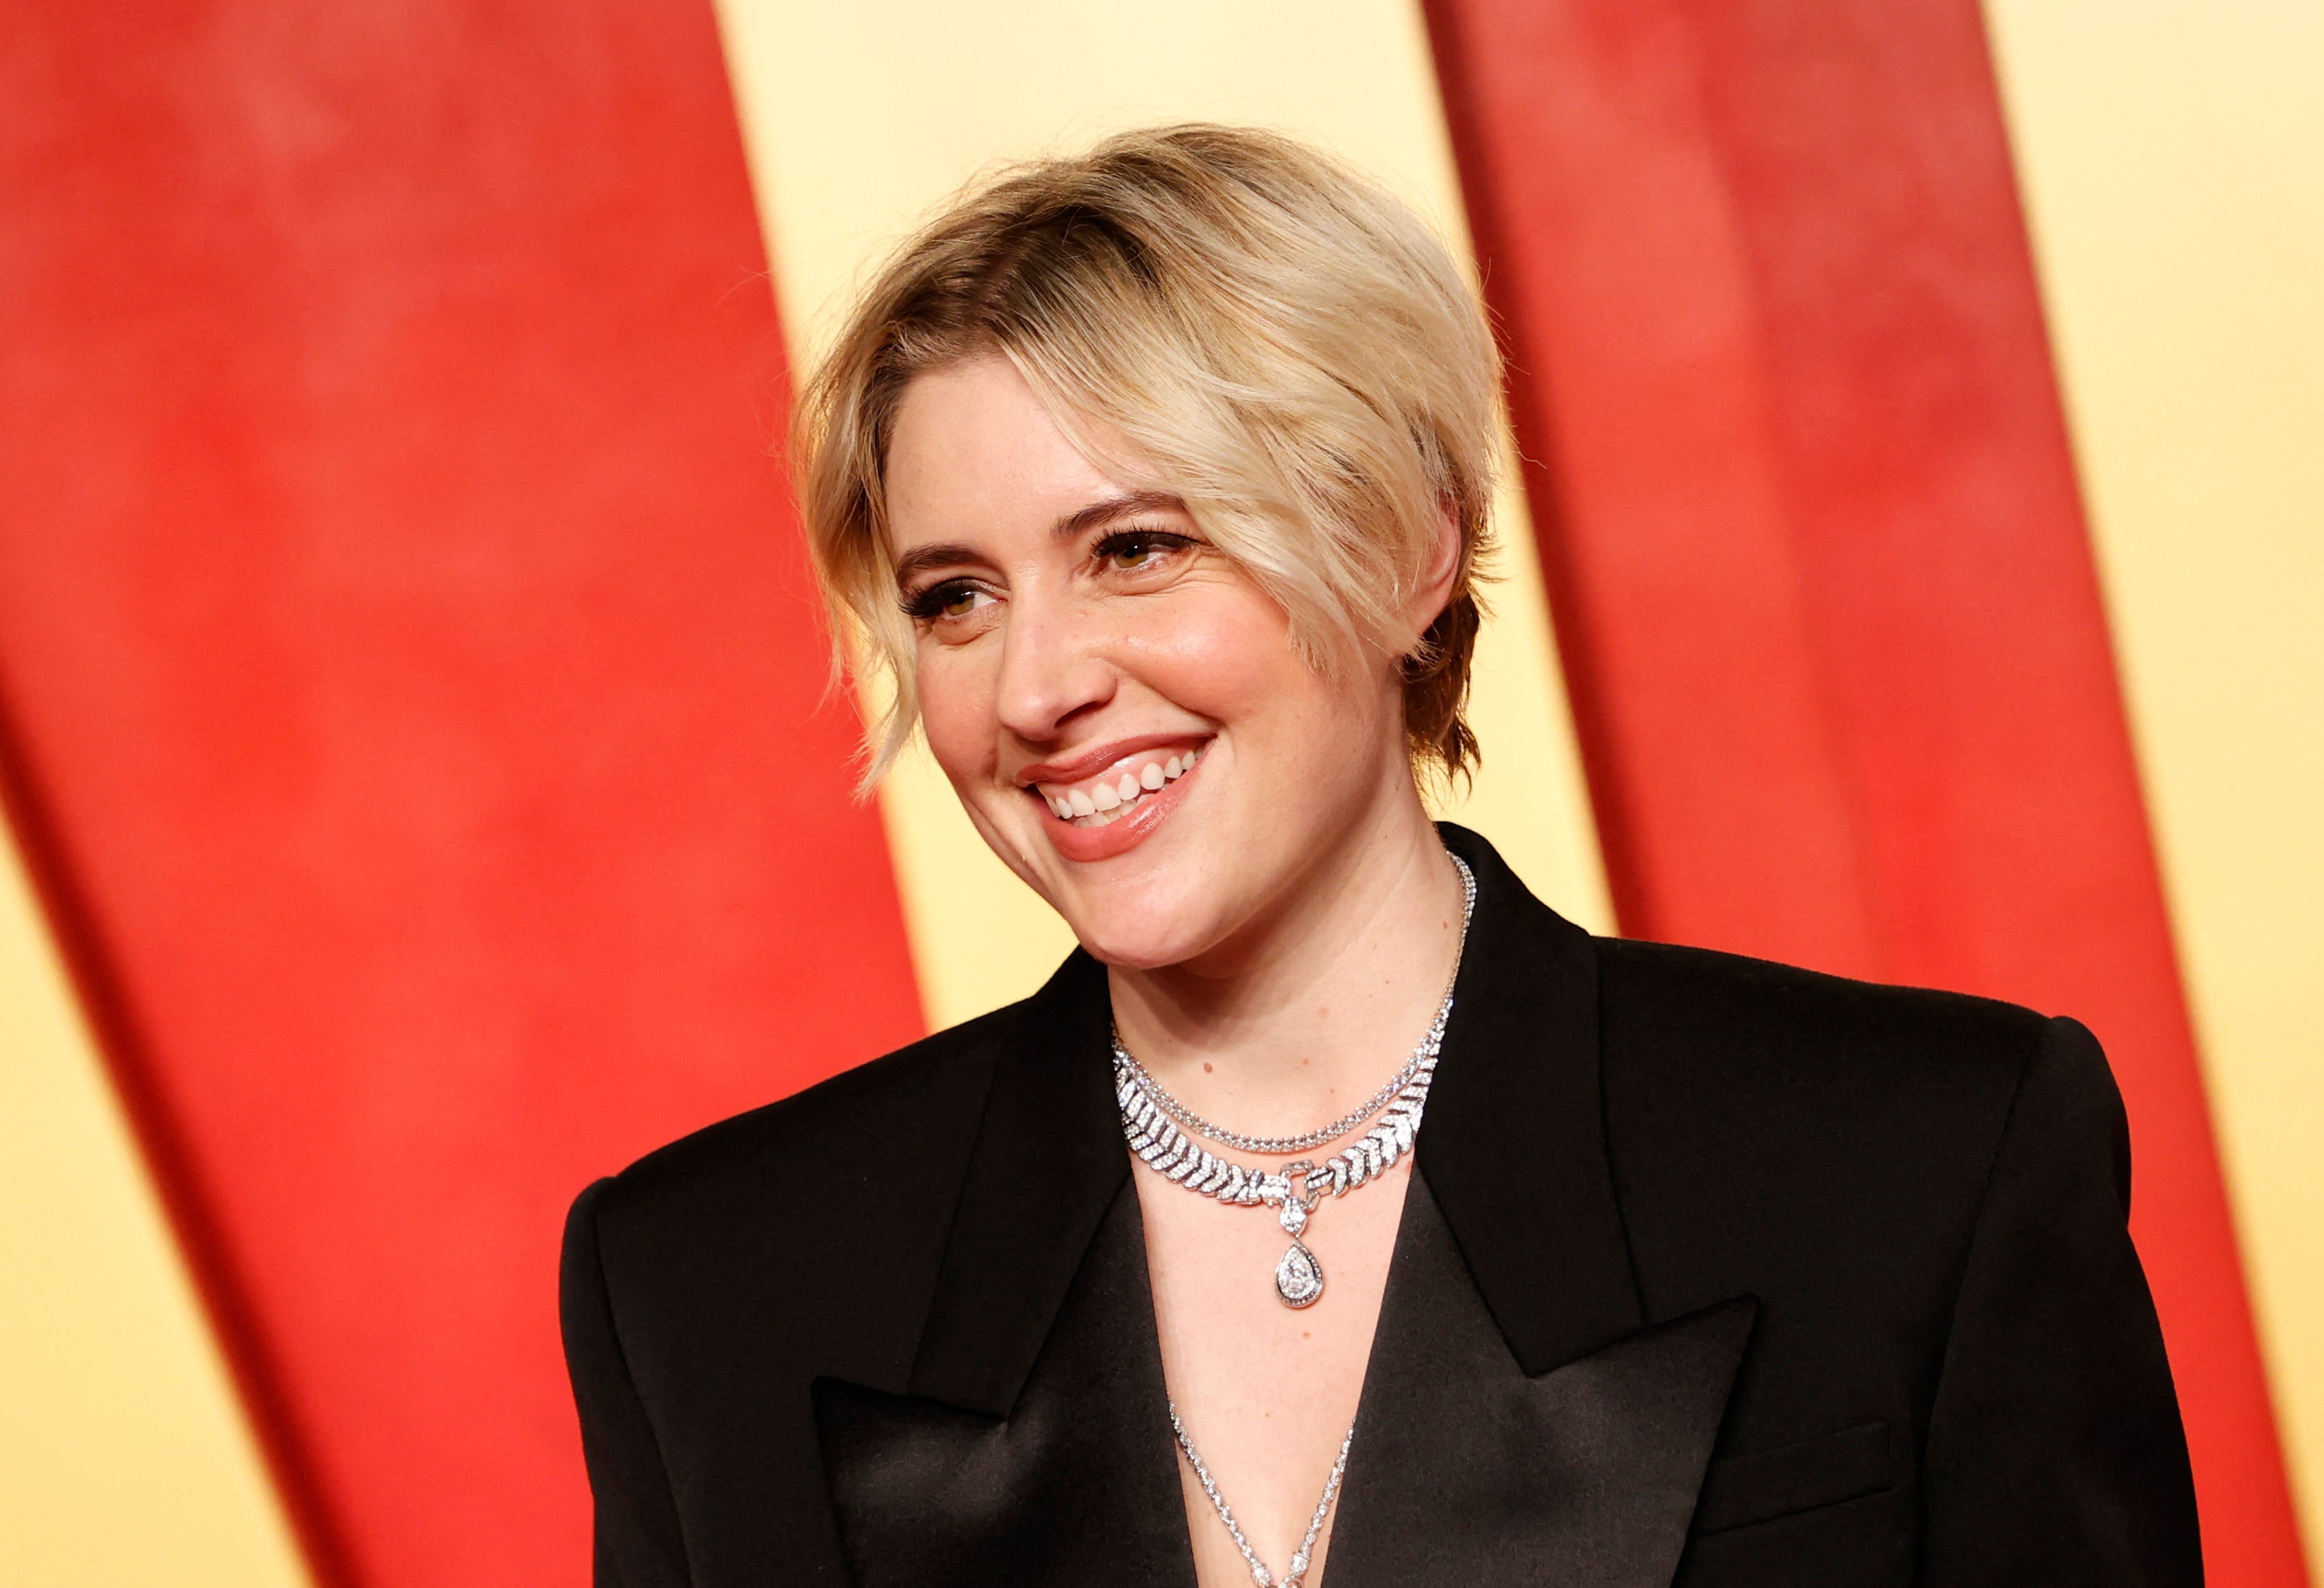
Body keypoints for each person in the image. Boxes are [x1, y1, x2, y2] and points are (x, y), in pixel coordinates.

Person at [559, 125, 2199, 1588]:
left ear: (1411, 546)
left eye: (1136, 549)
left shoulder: (1922, 1165)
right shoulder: (707, 1291)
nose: (1036, 687)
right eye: (953, 598)